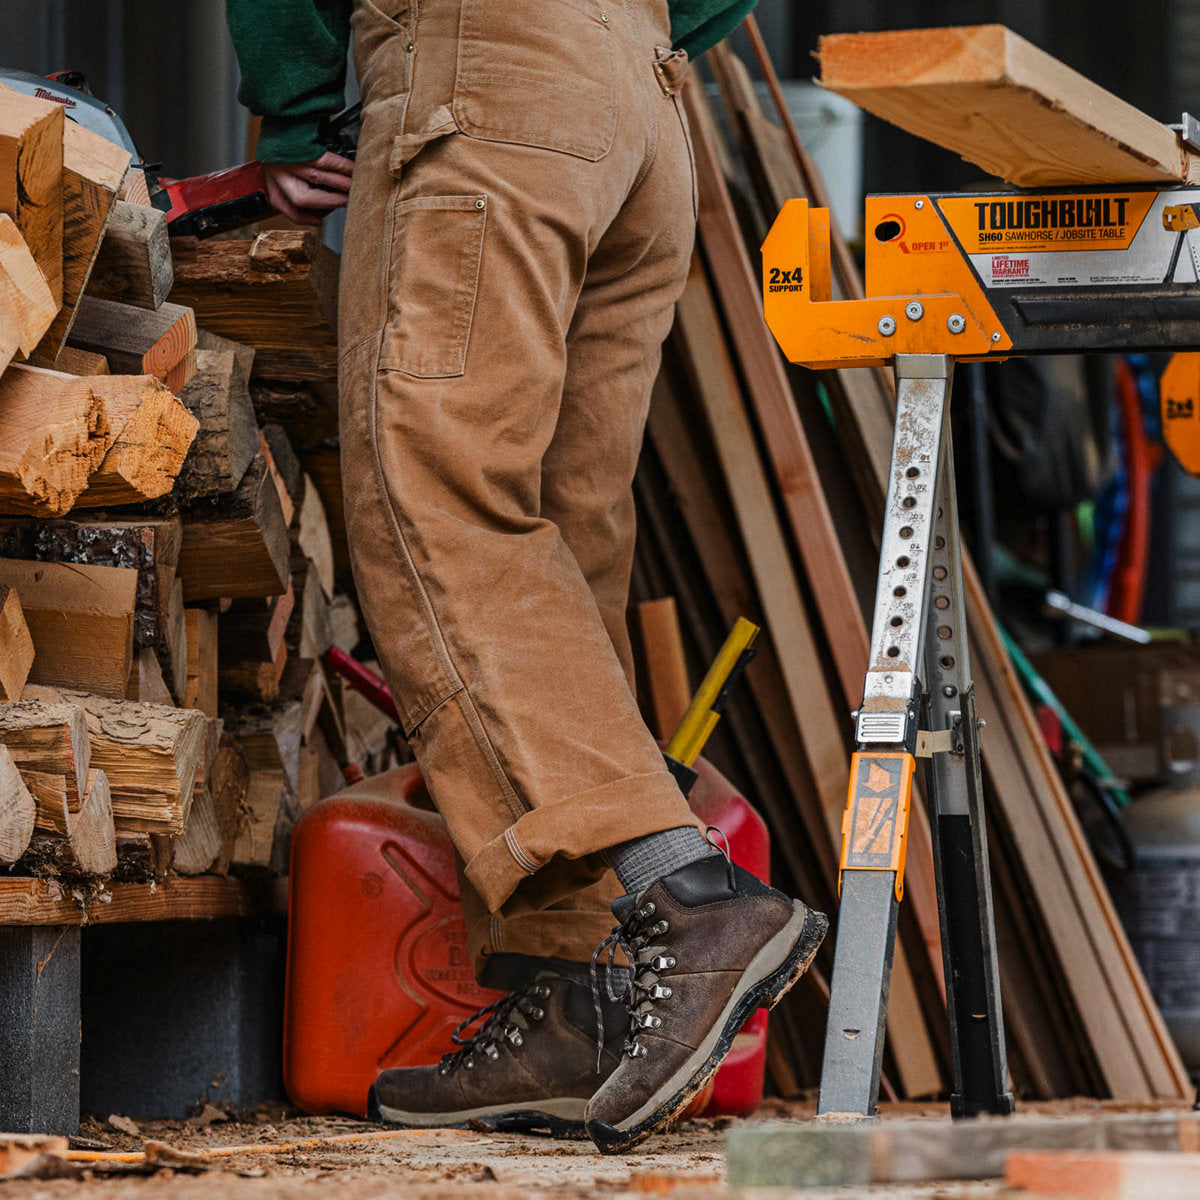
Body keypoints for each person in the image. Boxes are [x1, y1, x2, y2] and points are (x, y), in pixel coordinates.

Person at [225, 0, 826, 1153]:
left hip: (484, 82)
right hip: (641, 108)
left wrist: (297, 111)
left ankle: (686, 895)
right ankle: (578, 1005)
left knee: (430, 495)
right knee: (563, 538)